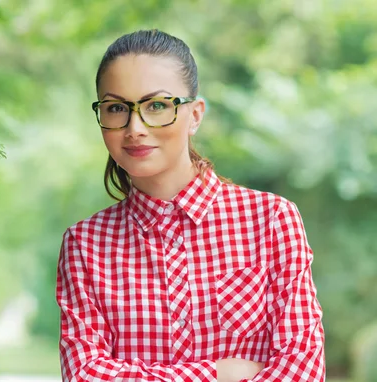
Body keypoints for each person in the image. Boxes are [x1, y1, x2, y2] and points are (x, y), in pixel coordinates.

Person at [55, 29, 325, 382]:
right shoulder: (85, 245)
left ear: (195, 115)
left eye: (157, 105)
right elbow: (85, 375)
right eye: (117, 108)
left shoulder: (271, 220)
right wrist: (216, 373)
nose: (135, 128)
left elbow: (302, 369)